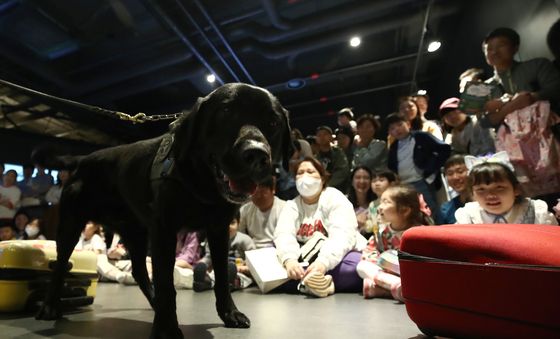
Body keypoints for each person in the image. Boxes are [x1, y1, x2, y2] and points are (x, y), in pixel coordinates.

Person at [274, 157, 365, 297]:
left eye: (310, 171)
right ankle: (317, 283)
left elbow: (342, 235)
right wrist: (289, 260)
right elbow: (283, 234)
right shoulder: (291, 205)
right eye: (300, 173)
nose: (305, 176)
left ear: (322, 179)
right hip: (303, 260)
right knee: (273, 260)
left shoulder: (334, 197)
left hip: (337, 257)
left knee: (357, 267)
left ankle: (304, 283)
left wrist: (323, 263)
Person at [357, 184, 433, 301]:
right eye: (381, 202)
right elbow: (369, 253)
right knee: (362, 266)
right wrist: (382, 263)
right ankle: (398, 287)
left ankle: (382, 290)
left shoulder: (419, 233)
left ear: (405, 210)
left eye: (386, 202)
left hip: (411, 275)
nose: (380, 207)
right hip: (389, 275)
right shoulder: (381, 233)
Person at [482, 27, 560, 127]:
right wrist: (512, 105)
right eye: (489, 49)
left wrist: (532, 97)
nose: (494, 52)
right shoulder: (484, 87)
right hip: (509, 141)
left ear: (515, 47)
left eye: (501, 45)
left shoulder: (537, 65)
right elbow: (483, 122)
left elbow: (555, 90)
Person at [455, 153, 558, 225]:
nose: (490, 195)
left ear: (516, 189)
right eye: (481, 189)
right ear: (472, 194)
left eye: (499, 188)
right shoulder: (468, 217)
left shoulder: (536, 213)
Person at [386, 113, 451, 222]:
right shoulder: (393, 146)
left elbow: (444, 149)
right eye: (392, 128)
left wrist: (430, 169)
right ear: (389, 132)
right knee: (413, 214)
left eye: (399, 125)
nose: (397, 129)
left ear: (408, 124)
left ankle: (440, 234)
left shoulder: (421, 136)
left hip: (421, 182)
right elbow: (391, 166)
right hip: (404, 186)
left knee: (431, 210)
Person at [193, 212, 256, 292]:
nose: (228, 226)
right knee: (212, 276)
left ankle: (231, 283)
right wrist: (202, 264)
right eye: (224, 223)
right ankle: (204, 283)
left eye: (232, 223)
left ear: (238, 223)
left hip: (239, 271)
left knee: (239, 278)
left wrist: (243, 268)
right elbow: (209, 257)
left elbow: (254, 261)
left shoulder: (245, 240)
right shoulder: (213, 240)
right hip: (219, 271)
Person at [239, 176, 285, 249]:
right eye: (255, 193)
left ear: (273, 190)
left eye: (263, 192)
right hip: (252, 250)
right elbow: (239, 235)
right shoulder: (245, 209)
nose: (259, 196)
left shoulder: (285, 208)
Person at [314, 125, 350, 193]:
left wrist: (327, 185)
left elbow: (343, 171)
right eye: (319, 135)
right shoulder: (315, 158)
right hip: (321, 189)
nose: (322, 137)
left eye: (325, 134)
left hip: (339, 189)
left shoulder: (339, 152)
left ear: (331, 137)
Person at [363, 170, 400, 236]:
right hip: (379, 236)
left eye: (381, 180)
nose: (377, 184)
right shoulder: (372, 204)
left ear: (392, 183)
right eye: (374, 181)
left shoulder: (397, 201)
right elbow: (372, 225)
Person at [439, 155, 471, 224]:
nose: (455, 177)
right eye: (450, 174)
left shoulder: (487, 203)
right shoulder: (446, 210)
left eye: (460, 171)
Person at [347, 166, 375, 236]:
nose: (362, 181)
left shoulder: (376, 204)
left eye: (366, 178)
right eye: (358, 177)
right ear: (352, 181)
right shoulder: (343, 201)